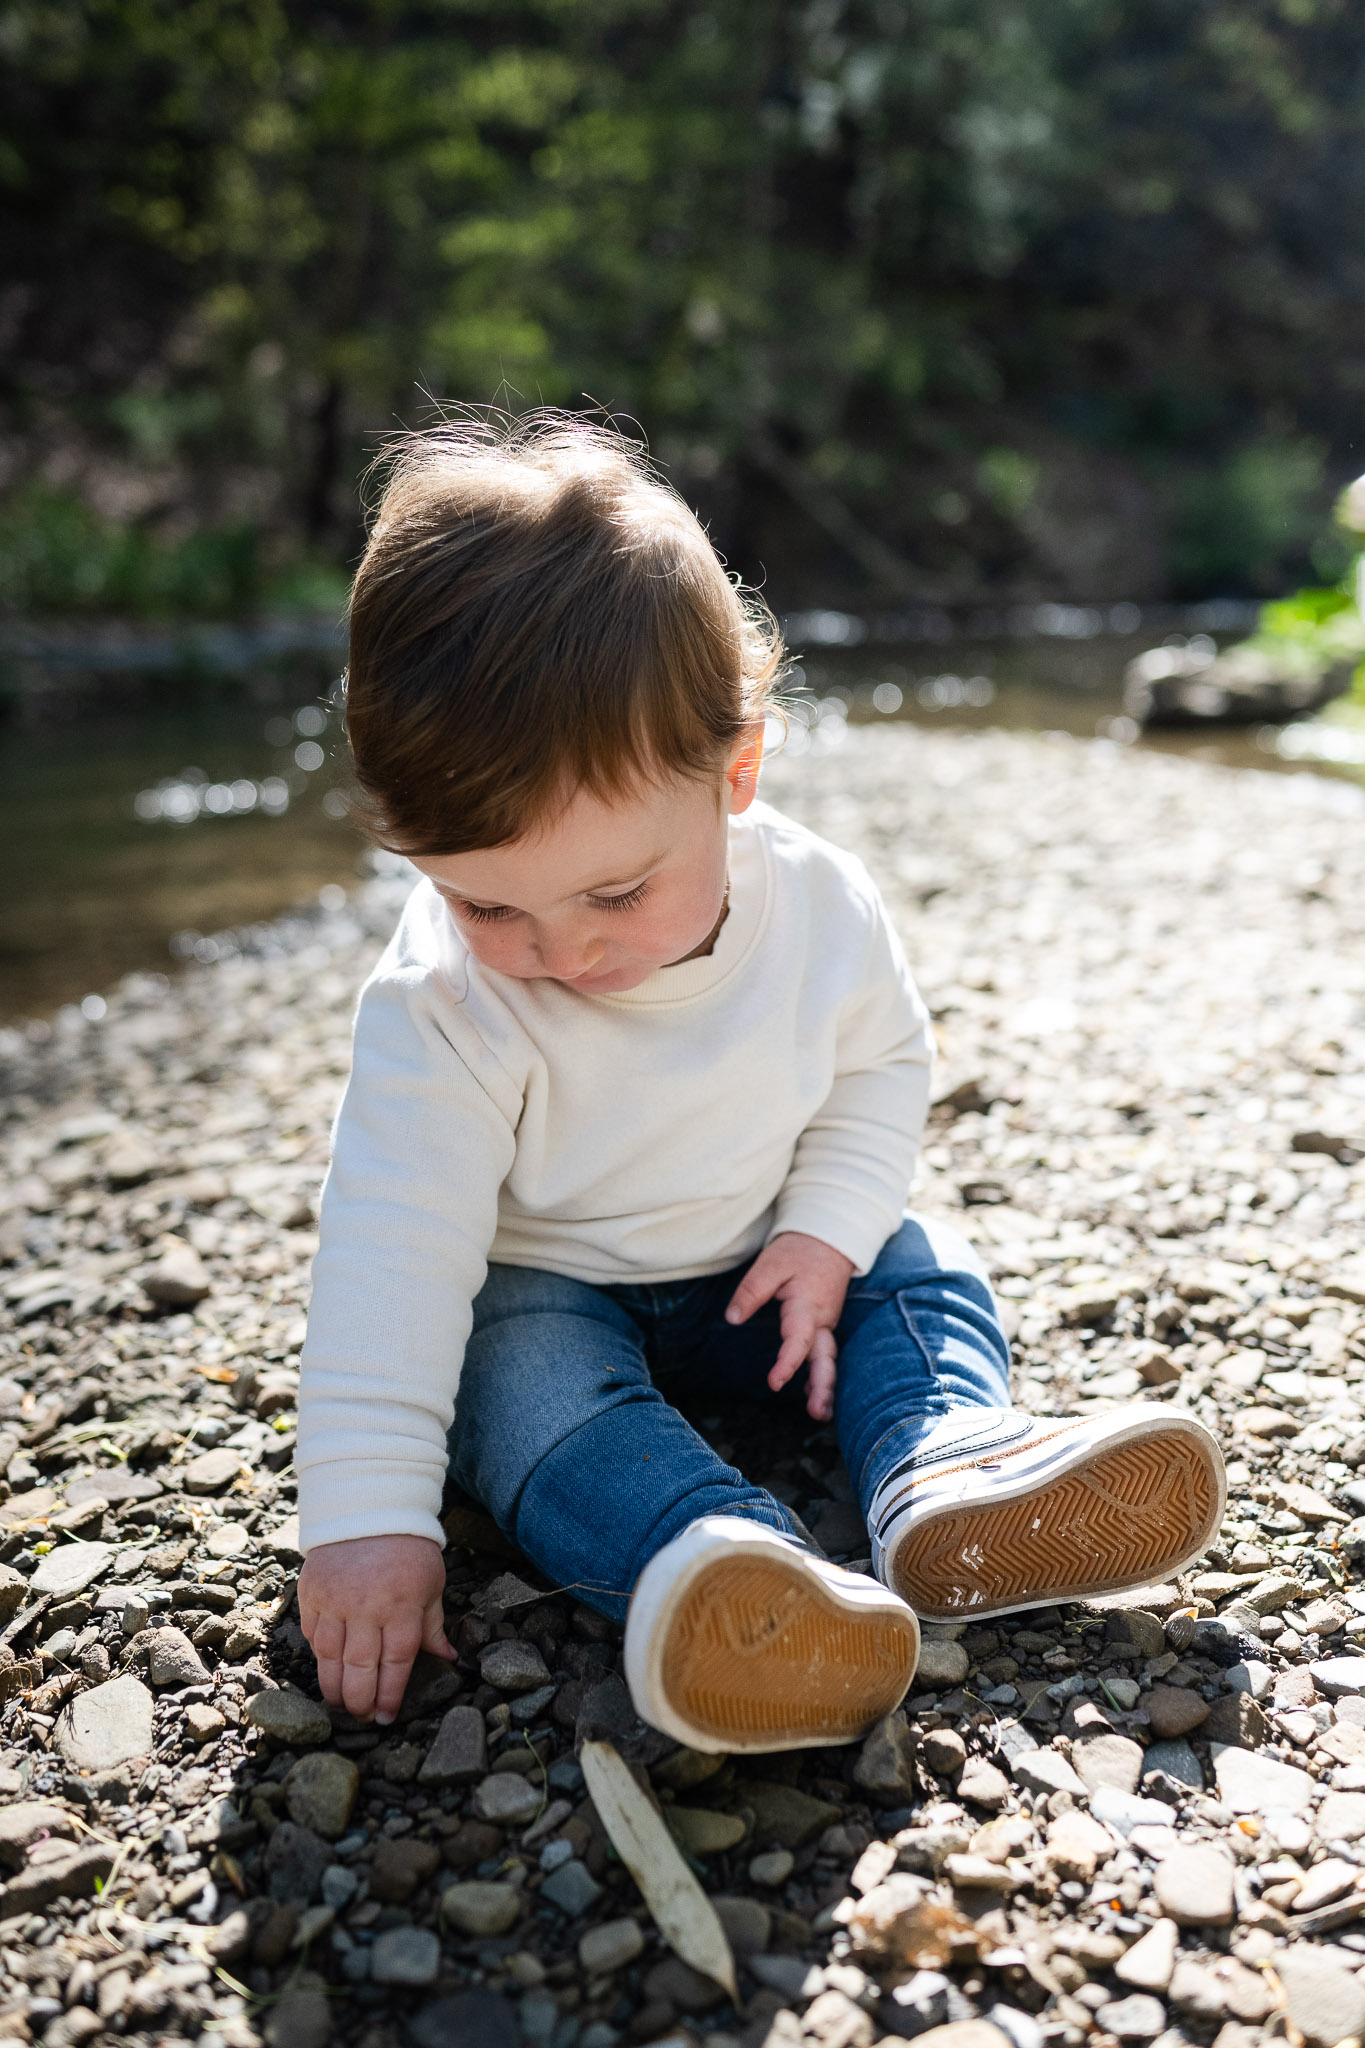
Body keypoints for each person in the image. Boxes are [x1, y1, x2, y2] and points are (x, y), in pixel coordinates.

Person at [295, 415, 1225, 1752]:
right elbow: (389, 1256)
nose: (560, 951)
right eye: (487, 901)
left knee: (917, 1267)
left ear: (735, 771)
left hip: (769, 1270)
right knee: (505, 1384)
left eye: (615, 890)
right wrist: (366, 1522)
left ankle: (943, 1466)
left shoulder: (817, 901)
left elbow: (876, 1070)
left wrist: (824, 1229)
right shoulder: (442, 999)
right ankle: (721, 1564)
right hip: (555, 1287)